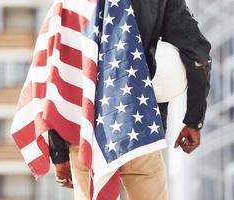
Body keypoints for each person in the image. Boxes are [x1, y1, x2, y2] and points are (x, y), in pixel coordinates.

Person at [49, 0, 211, 199]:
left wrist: (58, 151)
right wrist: (194, 120)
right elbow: (199, 54)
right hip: (141, 129)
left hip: (85, 135)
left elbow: (58, 69)